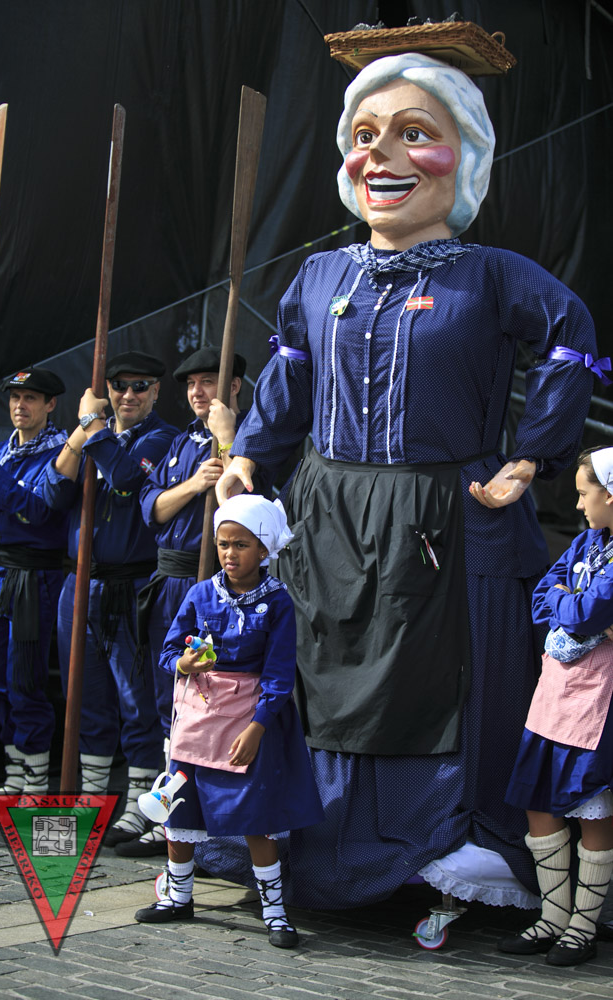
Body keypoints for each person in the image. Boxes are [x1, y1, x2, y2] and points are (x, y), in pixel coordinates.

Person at [213, 50, 602, 912]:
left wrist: (529, 456)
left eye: (414, 133)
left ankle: (446, 852)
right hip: (329, 515)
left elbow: (570, 337)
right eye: (363, 135)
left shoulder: (490, 273)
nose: (380, 155)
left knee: (438, 683)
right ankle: (315, 846)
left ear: (468, 155)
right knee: (323, 672)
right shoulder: (319, 276)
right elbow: (290, 372)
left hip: (448, 514)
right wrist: (250, 456)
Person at [133, 494, 324, 947]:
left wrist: (258, 727)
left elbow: (279, 674)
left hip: (247, 722)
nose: (230, 554)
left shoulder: (278, 603)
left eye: (241, 544)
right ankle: (178, 897)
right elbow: (168, 651)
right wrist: (185, 663)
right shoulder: (200, 594)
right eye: (223, 544)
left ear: (264, 549)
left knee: (257, 815)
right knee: (178, 805)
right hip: (197, 721)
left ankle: (274, 912)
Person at [122, 347, 272, 858]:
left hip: (220, 586)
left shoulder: (255, 438)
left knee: (216, 703)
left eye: (208, 381)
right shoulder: (181, 441)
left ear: (234, 386)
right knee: (170, 698)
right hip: (171, 583)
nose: (197, 392)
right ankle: (171, 814)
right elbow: (153, 509)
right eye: (190, 384)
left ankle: (212, 822)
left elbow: (255, 507)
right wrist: (194, 483)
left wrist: (229, 443)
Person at [42, 350, 178, 844]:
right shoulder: (94, 434)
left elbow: (125, 477)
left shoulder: (162, 438)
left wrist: (92, 428)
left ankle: (141, 803)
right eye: (119, 386)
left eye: (140, 386)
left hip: (131, 586)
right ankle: (92, 796)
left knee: (135, 697)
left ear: (156, 391)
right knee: (85, 694)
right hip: (81, 584)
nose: (128, 395)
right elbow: (53, 495)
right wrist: (80, 436)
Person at [500, 446, 613, 967]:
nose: (578, 506)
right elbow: (544, 597)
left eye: (584, 495)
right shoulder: (587, 541)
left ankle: (583, 927)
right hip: (556, 693)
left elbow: (591, 609)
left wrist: (577, 608)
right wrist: (580, 611)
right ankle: (552, 916)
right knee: (537, 800)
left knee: (593, 806)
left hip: (598, 700)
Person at [0, 367, 68, 807]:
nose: (21, 406)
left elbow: (38, 511)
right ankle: (14, 773)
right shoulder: (2, 449)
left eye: (31, 398)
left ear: (50, 404)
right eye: (16, 398)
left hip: (33, 575)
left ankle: (35, 782)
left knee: (25, 679)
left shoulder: (61, 453)